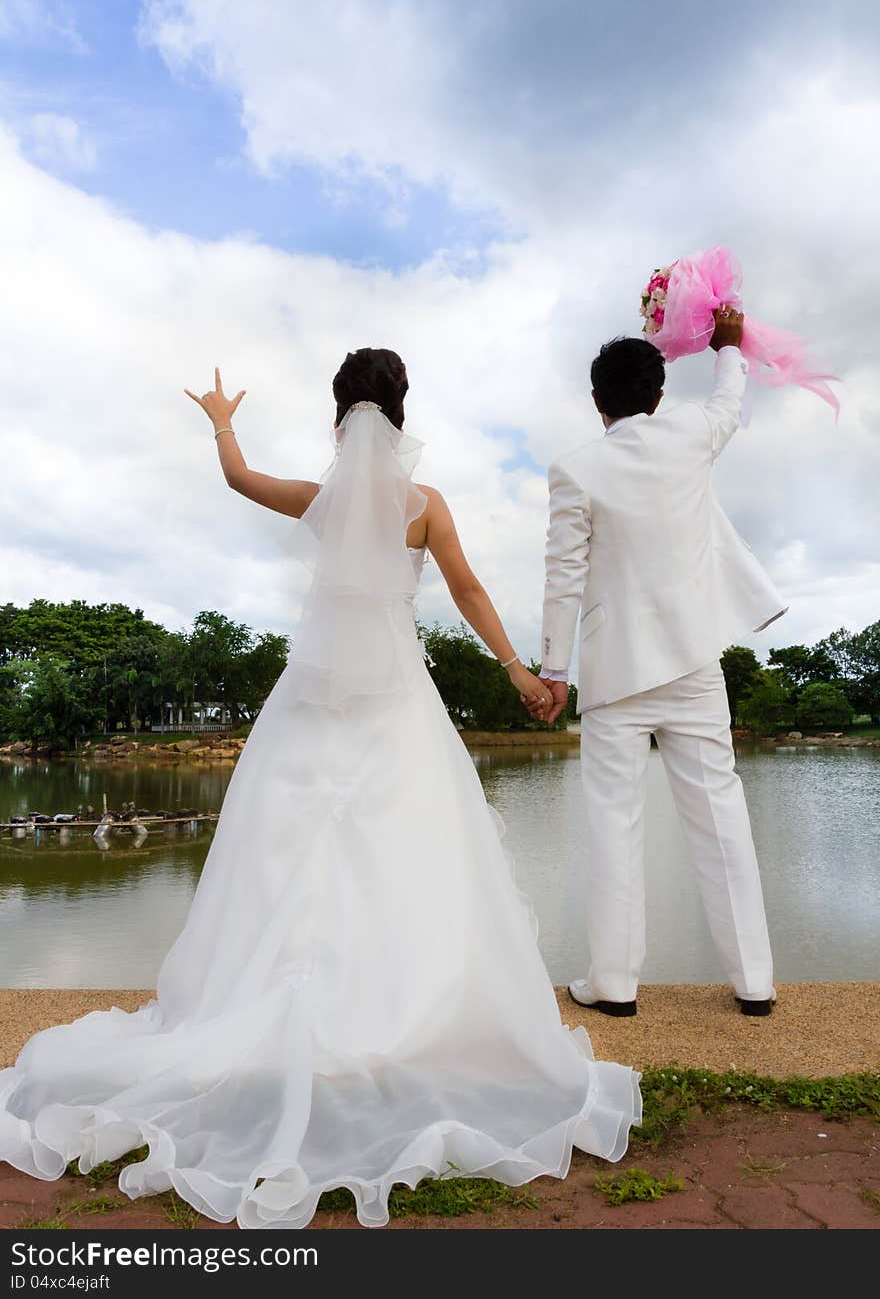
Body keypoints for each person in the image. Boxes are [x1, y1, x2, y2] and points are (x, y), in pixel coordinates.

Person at [0, 349, 640, 1230]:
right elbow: (468, 588)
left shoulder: (321, 497)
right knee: (409, 850)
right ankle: (402, 1014)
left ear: (339, 415)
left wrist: (222, 416)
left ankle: (273, 1009)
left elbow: (236, 477)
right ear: (402, 413)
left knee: (285, 849)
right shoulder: (426, 507)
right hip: (396, 702)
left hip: (308, 704)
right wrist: (520, 671)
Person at [532, 310, 784, 1018]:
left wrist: (555, 669)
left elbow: (563, 575)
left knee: (614, 826)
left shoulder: (575, 469)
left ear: (596, 400)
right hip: (696, 662)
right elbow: (731, 398)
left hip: (614, 671)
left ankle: (613, 984)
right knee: (721, 818)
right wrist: (728, 342)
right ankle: (755, 984)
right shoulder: (691, 436)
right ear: (659, 394)